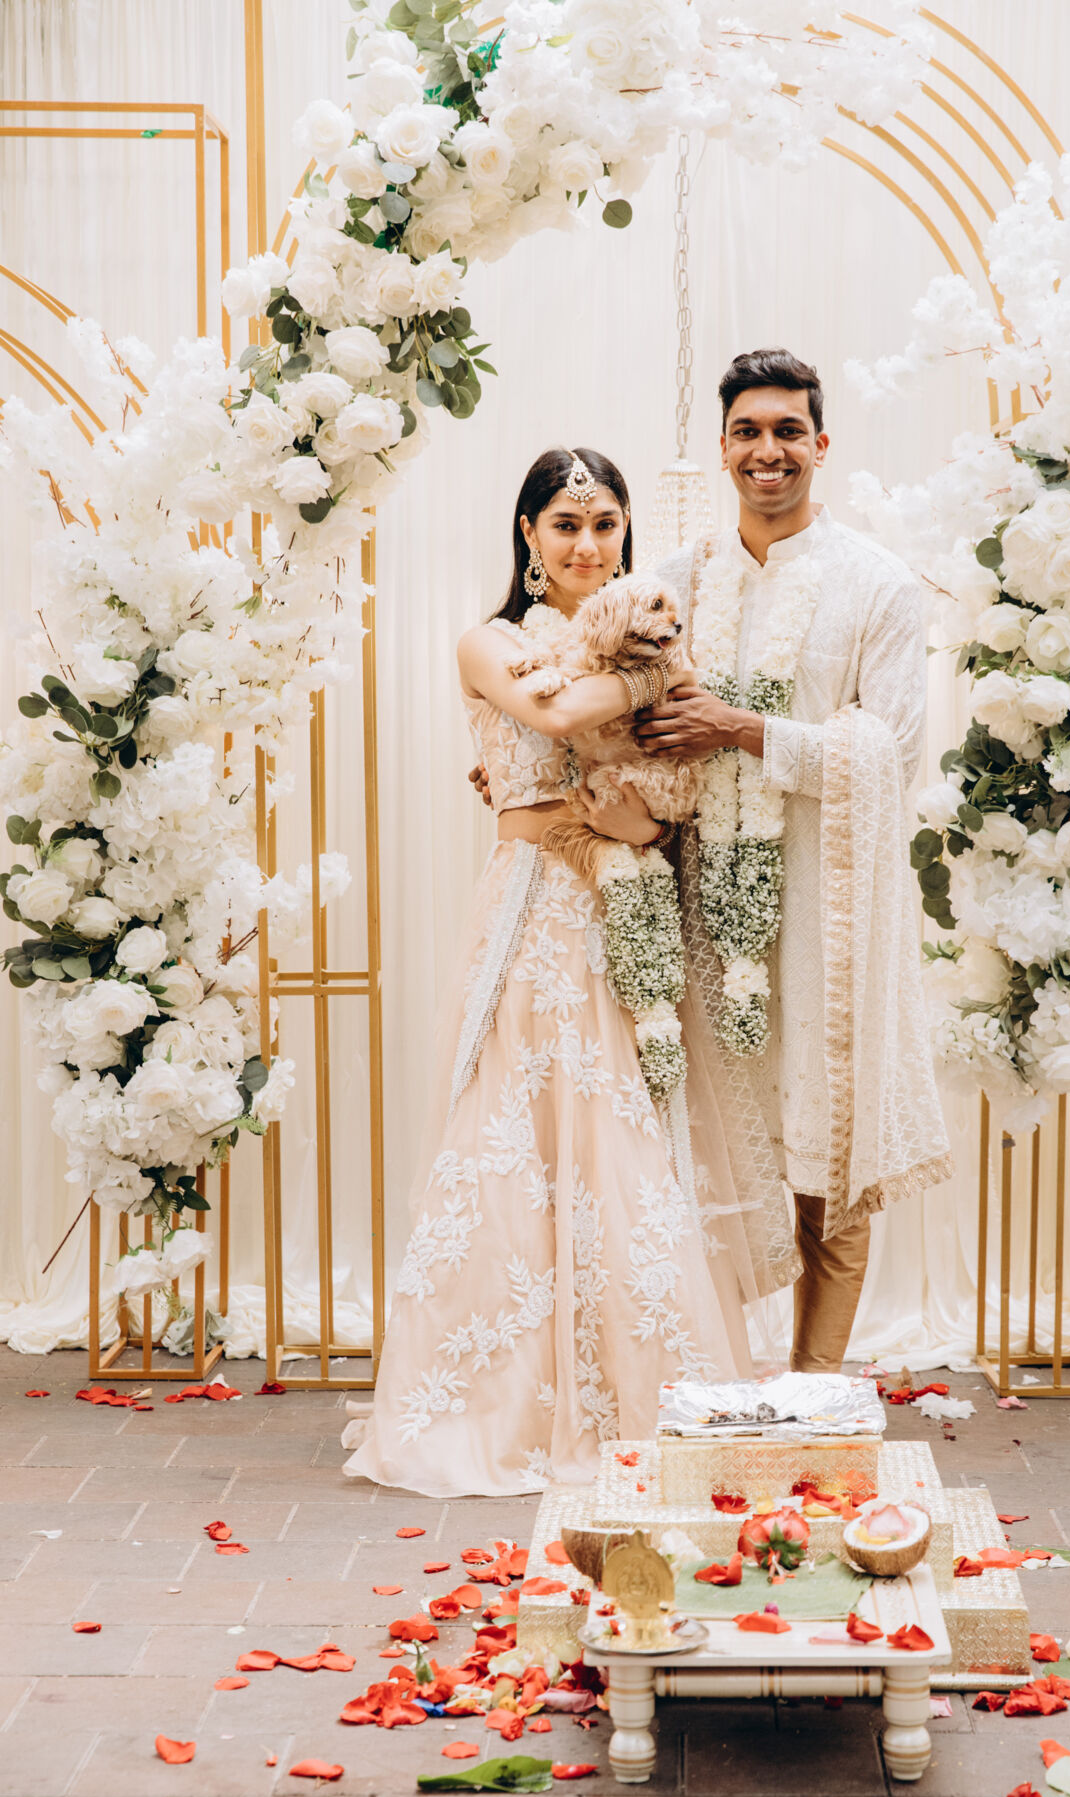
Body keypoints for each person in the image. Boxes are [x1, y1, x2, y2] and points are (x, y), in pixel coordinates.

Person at [343, 446, 759, 1500]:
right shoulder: (491, 642)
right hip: (532, 908)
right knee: (514, 1133)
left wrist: (642, 816)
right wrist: (657, 676)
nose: (586, 544)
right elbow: (559, 718)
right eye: (566, 524)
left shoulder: (639, 639)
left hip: (623, 903)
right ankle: (502, 1399)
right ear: (529, 533)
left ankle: (629, 1390)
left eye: (604, 524)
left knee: (622, 1130)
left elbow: (668, 787)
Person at [639, 349, 953, 1373]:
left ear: (820, 445)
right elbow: (612, 712)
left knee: (829, 1157)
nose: (765, 451)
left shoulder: (878, 586)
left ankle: (813, 1392)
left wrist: (740, 730)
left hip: (829, 910)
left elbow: (891, 757)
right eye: (747, 432)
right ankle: (713, 1379)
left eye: (785, 431)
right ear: (721, 447)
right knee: (705, 1155)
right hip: (700, 908)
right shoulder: (675, 583)